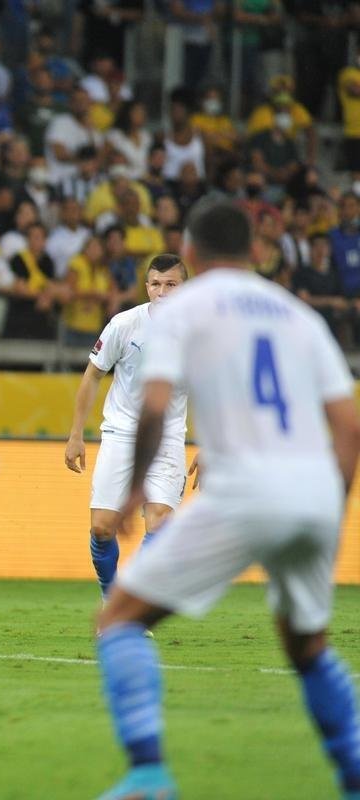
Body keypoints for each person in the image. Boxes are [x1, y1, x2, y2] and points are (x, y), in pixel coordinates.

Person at [94, 201, 360, 799]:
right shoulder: (300, 316)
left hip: (245, 487)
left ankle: (148, 773)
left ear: (189, 255)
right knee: (308, 647)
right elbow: (349, 429)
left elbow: (156, 406)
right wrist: (332, 510)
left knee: (118, 622)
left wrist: (135, 486)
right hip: (315, 491)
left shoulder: (182, 310)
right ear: (257, 254)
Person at [64, 254, 189, 601]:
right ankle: (111, 597)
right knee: (102, 528)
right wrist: (76, 434)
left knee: (160, 520)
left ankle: (128, 604)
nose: (162, 292)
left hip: (167, 438)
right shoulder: (124, 324)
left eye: (171, 285)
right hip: (120, 434)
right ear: (147, 286)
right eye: (155, 284)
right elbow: (92, 376)